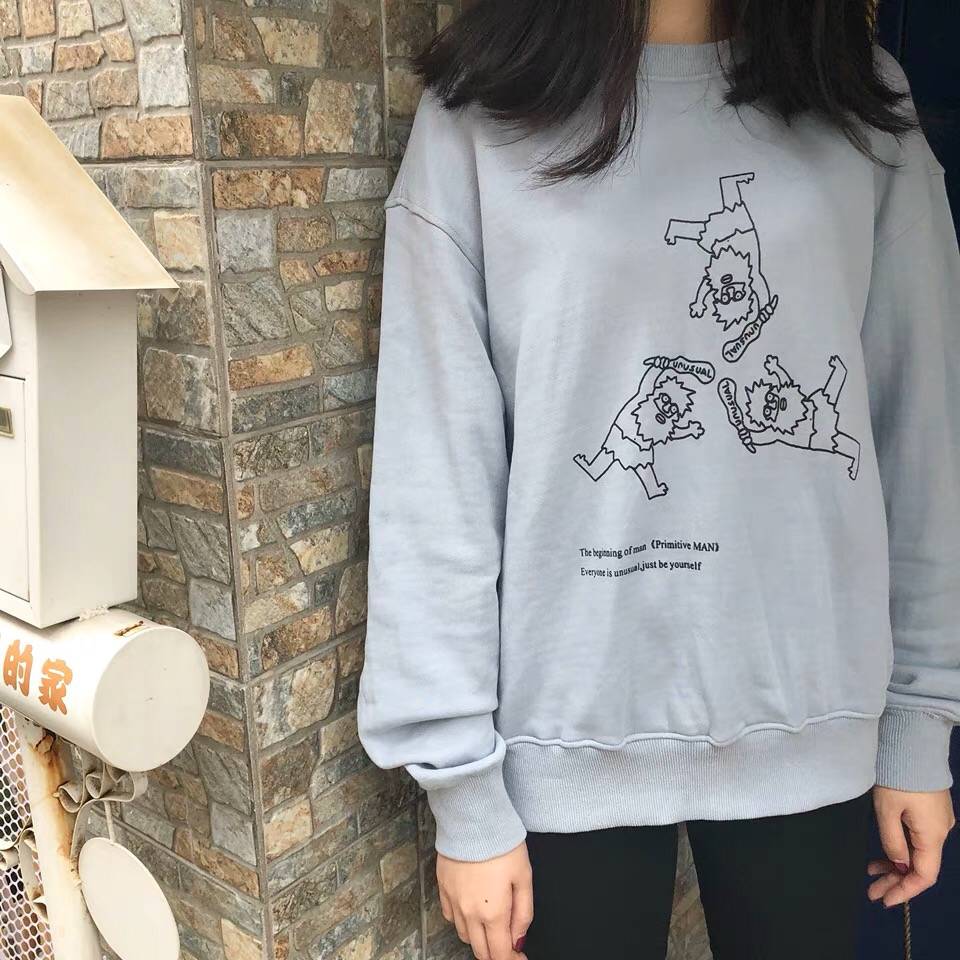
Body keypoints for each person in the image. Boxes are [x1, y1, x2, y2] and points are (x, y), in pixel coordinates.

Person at [357, 1, 960, 957]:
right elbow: (436, 461)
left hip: (812, 716)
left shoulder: (858, 102)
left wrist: (920, 722)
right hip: (563, 735)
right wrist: (461, 785)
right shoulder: (483, 107)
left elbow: (920, 427)